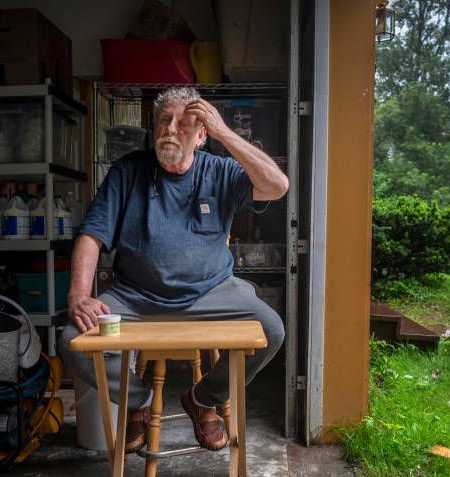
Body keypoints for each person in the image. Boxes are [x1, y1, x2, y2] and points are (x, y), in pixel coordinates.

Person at [60, 86, 288, 453]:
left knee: (272, 331)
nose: (171, 129)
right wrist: (78, 297)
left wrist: (225, 133)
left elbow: (277, 187)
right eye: (165, 120)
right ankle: (140, 401)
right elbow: (92, 235)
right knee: (72, 340)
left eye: (185, 123)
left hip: (213, 291)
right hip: (135, 295)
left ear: (202, 136)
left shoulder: (222, 170)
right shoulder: (129, 171)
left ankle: (203, 398)